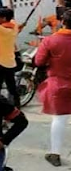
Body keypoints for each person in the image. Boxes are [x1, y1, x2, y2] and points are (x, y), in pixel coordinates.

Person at [35, 10, 71, 167]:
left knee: (59, 119)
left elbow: (39, 61)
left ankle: (55, 154)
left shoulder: (50, 40)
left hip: (59, 84)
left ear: (63, 21)